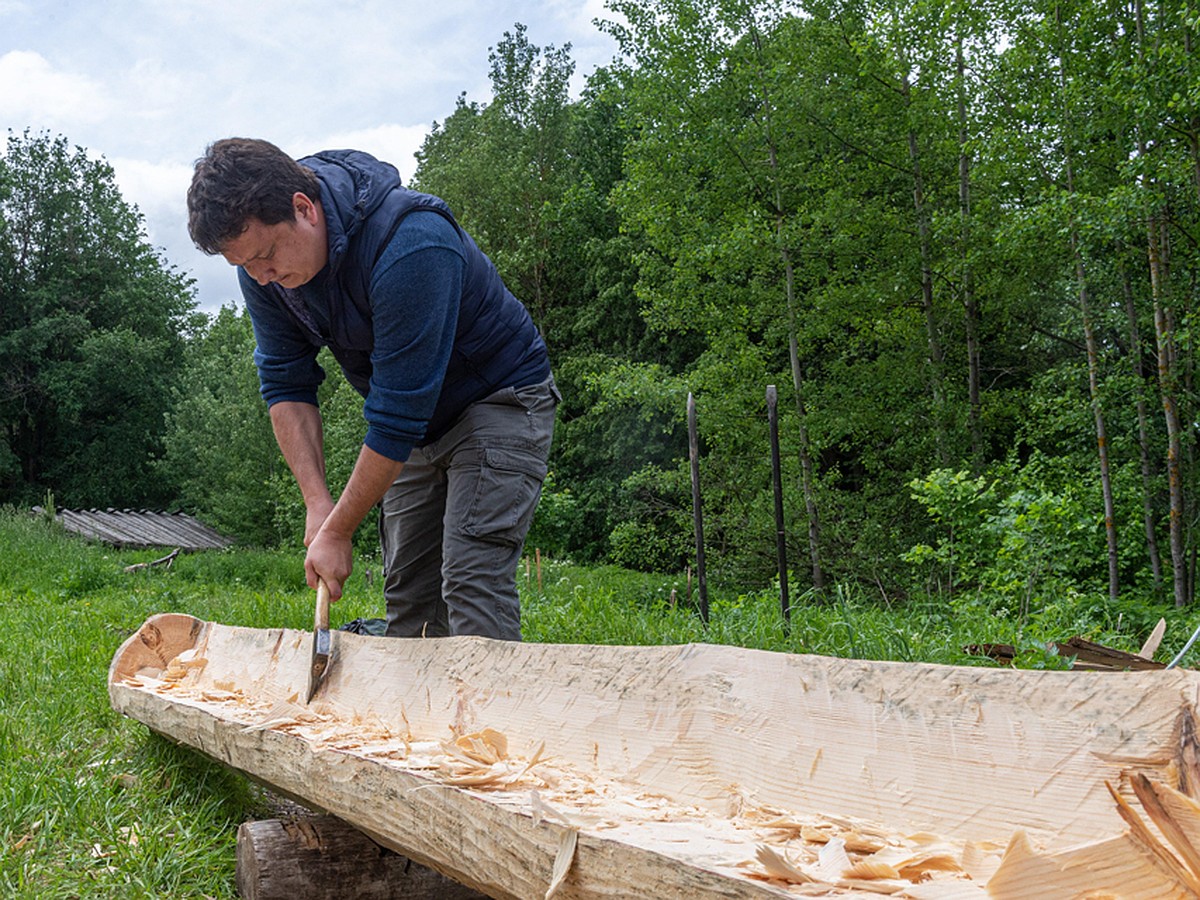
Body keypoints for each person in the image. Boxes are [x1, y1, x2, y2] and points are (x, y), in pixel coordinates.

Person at [187, 138, 557, 641]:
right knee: (410, 597)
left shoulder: (413, 242)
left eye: (267, 255)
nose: (262, 276)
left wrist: (339, 531)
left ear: (304, 208)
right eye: (245, 265)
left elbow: (395, 414)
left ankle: (491, 719)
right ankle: (413, 721)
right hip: (418, 426)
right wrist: (318, 505)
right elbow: (285, 382)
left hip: (499, 399)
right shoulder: (266, 275)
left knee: (472, 581)